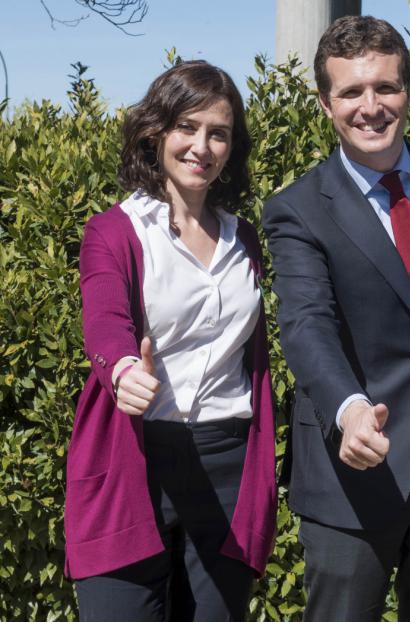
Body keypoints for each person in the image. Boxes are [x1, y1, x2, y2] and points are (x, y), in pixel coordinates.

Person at [262, 15, 410, 622]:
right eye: (352, 92)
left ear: (408, 89)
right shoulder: (297, 209)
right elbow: (306, 323)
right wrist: (348, 405)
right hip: (353, 457)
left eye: (385, 87)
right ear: (325, 102)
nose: (371, 106)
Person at [64, 60, 277, 621]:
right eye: (187, 127)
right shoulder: (114, 232)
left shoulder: (244, 239)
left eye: (218, 133)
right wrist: (123, 368)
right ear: (156, 132)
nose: (201, 146)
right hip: (134, 457)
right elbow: (104, 316)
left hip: (229, 464)